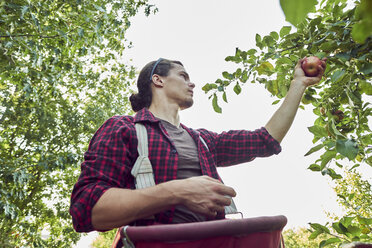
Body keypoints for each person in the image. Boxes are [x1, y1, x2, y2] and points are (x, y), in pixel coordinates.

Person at [69, 57, 326, 233]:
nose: (192, 83)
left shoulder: (203, 140)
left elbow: (265, 140)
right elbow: (87, 210)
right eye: (183, 76)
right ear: (158, 80)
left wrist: (298, 85)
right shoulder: (123, 128)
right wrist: (177, 192)